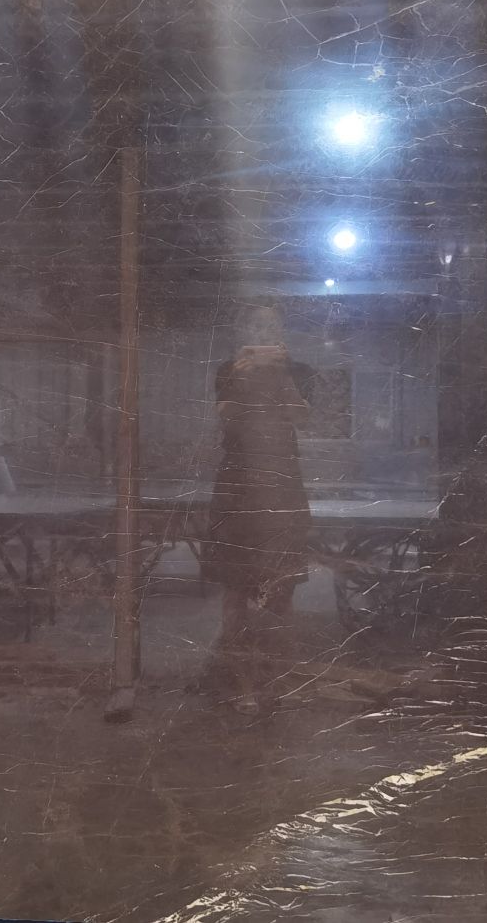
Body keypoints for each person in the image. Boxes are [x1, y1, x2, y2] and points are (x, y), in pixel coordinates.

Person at [199, 305, 312, 712]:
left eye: (270, 324)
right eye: (255, 324)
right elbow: (226, 415)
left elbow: (302, 417)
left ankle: (278, 684)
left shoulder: (296, 369)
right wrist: (243, 376)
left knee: (281, 591)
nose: (263, 330)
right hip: (239, 486)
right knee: (234, 590)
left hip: (280, 487)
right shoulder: (230, 368)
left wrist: (281, 376)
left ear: (280, 330)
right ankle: (238, 684)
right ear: (243, 331)